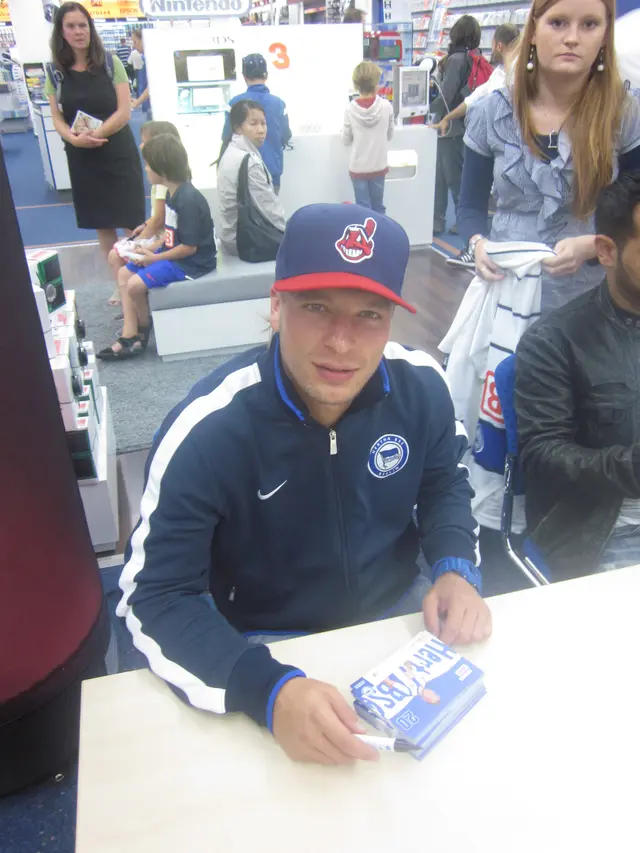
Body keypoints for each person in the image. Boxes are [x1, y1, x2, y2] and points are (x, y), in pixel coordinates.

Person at [117, 203, 492, 767]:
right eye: (316, 307)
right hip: (264, 641)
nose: (341, 342)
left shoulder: (422, 388)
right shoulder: (207, 432)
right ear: (275, 305)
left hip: (402, 616)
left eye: (369, 314)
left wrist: (456, 567)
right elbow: (154, 596)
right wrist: (265, 689)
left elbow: (445, 483)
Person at [458, 0, 640, 316]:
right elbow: (469, 205)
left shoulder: (623, 115)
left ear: (605, 35)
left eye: (589, 25)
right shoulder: (491, 112)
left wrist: (593, 245)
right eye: (558, 23)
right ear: (533, 31)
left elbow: (635, 210)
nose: (572, 38)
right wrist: (477, 244)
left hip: (590, 301)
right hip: (507, 290)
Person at [515, 172, 640, 580]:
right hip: (608, 531)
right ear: (606, 250)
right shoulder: (555, 341)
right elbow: (543, 458)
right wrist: (630, 468)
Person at [97, 134, 215, 361]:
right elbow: (171, 235)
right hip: (174, 254)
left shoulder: (188, 200)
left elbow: (189, 248)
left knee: (134, 285)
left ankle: (143, 329)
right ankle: (130, 330)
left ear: (162, 168)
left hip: (190, 264)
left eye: (148, 164)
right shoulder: (174, 194)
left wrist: (154, 259)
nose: (146, 169)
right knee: (124, 272)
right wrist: (150, 249)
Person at [45, 3, 145, 266]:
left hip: (118, 152)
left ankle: (138, 276)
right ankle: (118, 281)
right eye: (71, 26)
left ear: (90, 28)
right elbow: (56, 117)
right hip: (83, 156)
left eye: (82, 25)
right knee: (103, 224)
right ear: (61, 32)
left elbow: (125, 111)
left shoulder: (111, 63)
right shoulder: (55, 73)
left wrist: (97, 133)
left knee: (131, 220)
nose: (78, 31)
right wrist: (74, 138)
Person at [107, 120, 183, 304]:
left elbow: (159, 220)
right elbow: (156, 219)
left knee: (116, 255)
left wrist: (140, 243)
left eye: (144, 141)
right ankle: (126, 298)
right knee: (118, 254)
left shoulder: (163, 185)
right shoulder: (162, 183)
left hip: (163, 239)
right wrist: (144, 229)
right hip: (162, 237)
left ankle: (129, 301)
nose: (141, 145)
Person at [430, 15, 483, 236]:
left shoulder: (456, 60)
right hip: (463, 124)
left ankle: (461, 221)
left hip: (448, 125)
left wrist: (428, 107)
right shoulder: (475, 57)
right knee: (446, 175)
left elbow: (446, 94)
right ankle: (439, 219)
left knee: (449, 177)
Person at [216, 99, 286, 256]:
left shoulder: (231, 150)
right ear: (237, 128)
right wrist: (289, 235)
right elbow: (269, 208)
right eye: (253, 124)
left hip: (231, 237)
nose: (261, 130)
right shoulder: (248, 161)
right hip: (247, 241)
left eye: (263, 123)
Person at [433, 24, 520, 145]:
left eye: (493, 45)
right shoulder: (499, 71)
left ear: (499, 46)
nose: (492, 50)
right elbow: (472, 99)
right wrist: (447, 118)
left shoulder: (517, 76)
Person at [222, 54, 291, 193]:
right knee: (270, 212)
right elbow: (286, 135)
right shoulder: (279, 104)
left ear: (244, 76)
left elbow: (226, 137)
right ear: (266, 75)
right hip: (271, 173)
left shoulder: (234, 104)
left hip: (242, 173)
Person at [342, 60, 394, 214]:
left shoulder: (350, 109)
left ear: (356, 84)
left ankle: (366, 237)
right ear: (376, 83)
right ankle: (381, 237)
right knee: (378, 208)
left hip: (358, 167)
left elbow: (346, 139)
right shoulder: (386, 106)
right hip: (378, 165)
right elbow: (390, 135)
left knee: (362, 210)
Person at [129, 28, 149, 114]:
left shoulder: (151, 58)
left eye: (135, 42)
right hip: (148, 102)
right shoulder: (145, 57)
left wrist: (138, 102)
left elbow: (153, 85)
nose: (134, 45)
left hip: (153, 104)